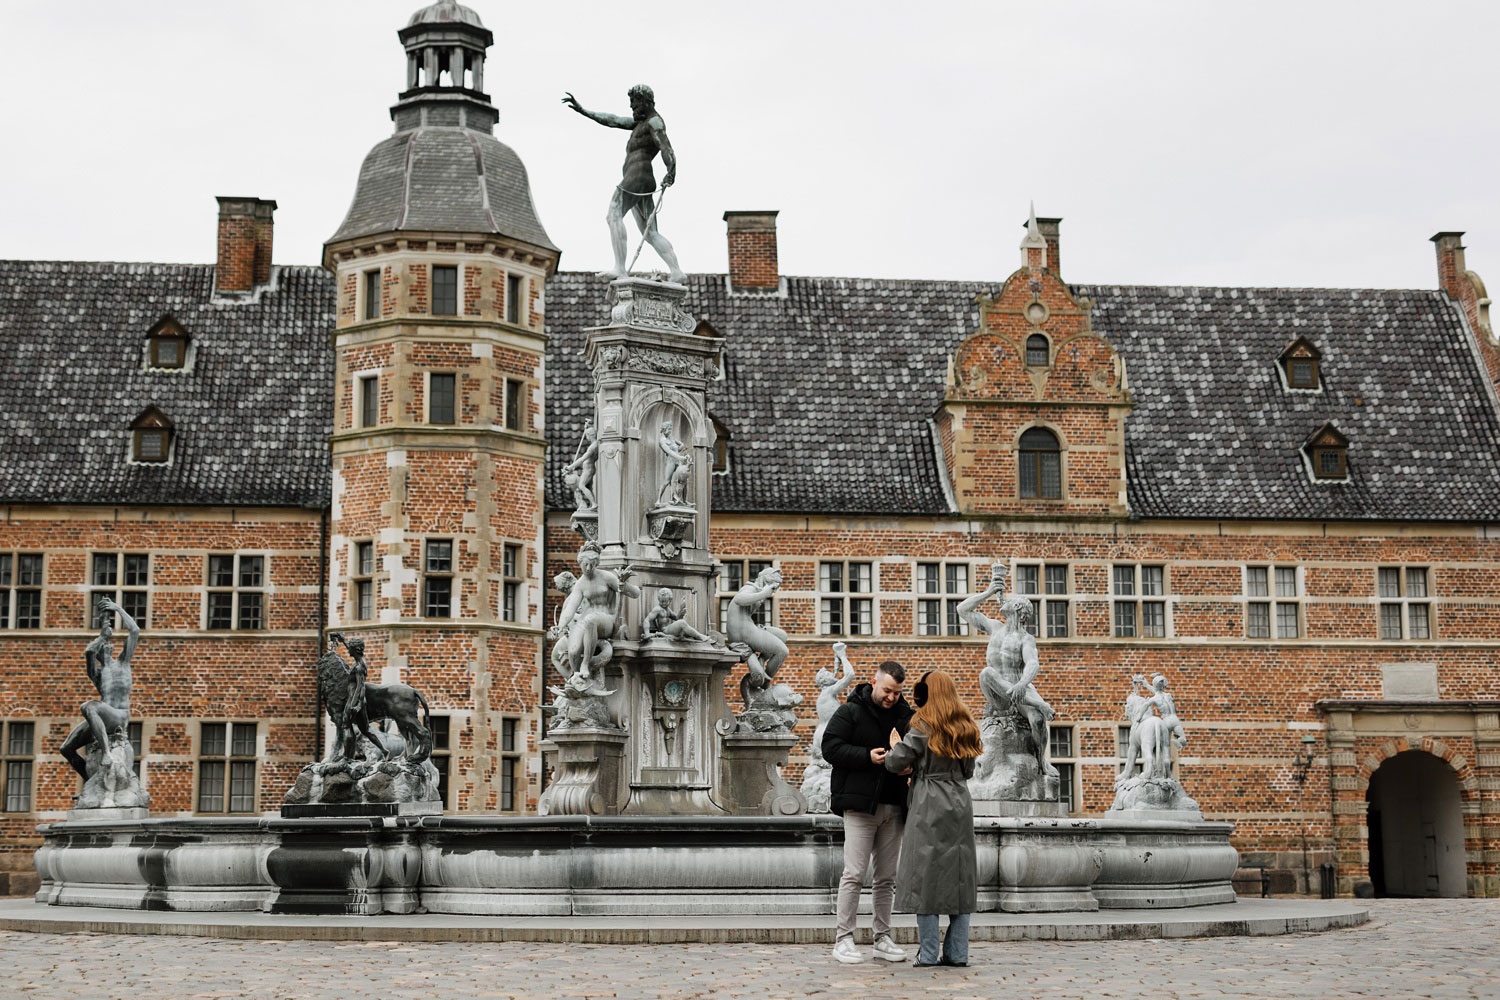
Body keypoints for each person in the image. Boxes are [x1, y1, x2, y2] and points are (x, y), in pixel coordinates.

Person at [885, 669, 983, 968]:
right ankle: (958, 953)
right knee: (959, 875)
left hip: (928, 799)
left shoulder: (923, 724)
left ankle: (927, 954)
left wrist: (895, 749)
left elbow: (895, 762)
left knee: (924, 875)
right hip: (958, 799)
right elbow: (968, 771)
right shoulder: (964, 724)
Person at [820, 658, 915, 964]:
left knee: (886, 877)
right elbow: (830, 747)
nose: (891, 697)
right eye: (887, 690)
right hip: (860, 806)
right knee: (854, 874)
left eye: (897, 693)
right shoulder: (850, 711)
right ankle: (843, 939)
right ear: (875, 683)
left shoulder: (906, 717)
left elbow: (918, 751)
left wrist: (910, 767)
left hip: (895, 805)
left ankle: (882, 938)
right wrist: (866, 756)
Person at [561, 84, 685, 281]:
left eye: (635, 106)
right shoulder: (641, 123)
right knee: (650, 232)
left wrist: (671, 170)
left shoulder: (654, 122)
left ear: (645, 102)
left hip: (637, 176)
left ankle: (620, 267)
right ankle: (677, 272)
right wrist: (584, 111)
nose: (632, 109)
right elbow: (613, 120)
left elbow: (665, 146)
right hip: (643, 180)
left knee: (613, 214)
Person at [60, 597, 138, 779]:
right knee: (66, 748)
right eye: (103, 645)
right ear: (99, 654)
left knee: (89, 706)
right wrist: (101, 636)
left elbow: (134, 630)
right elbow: (88, 651)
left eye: (107, 642)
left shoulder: (124, 662)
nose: (107, 644)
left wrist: (117, 608)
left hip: (119, 716)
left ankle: (106, 754)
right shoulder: (97, 675)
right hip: (103, 716)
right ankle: (90, 781)